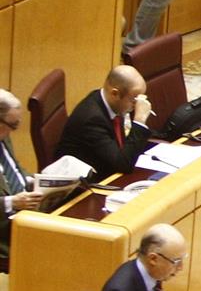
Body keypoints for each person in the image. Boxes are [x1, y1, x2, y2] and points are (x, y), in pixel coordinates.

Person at [58, 65, 158, 179]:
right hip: (86, 185)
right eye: (134, 100)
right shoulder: (92, 119)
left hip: (106, 169)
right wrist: (139, 121)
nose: (138, 106)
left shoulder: (111, 103)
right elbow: (123, 165)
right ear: (115, 94)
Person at [0, 90, 47, 261]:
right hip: (5, 228)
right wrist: (12, 202)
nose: (13, 131)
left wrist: (32, 180)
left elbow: (13, 167)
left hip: (24, 211)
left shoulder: (3, 135)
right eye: (12, 125)